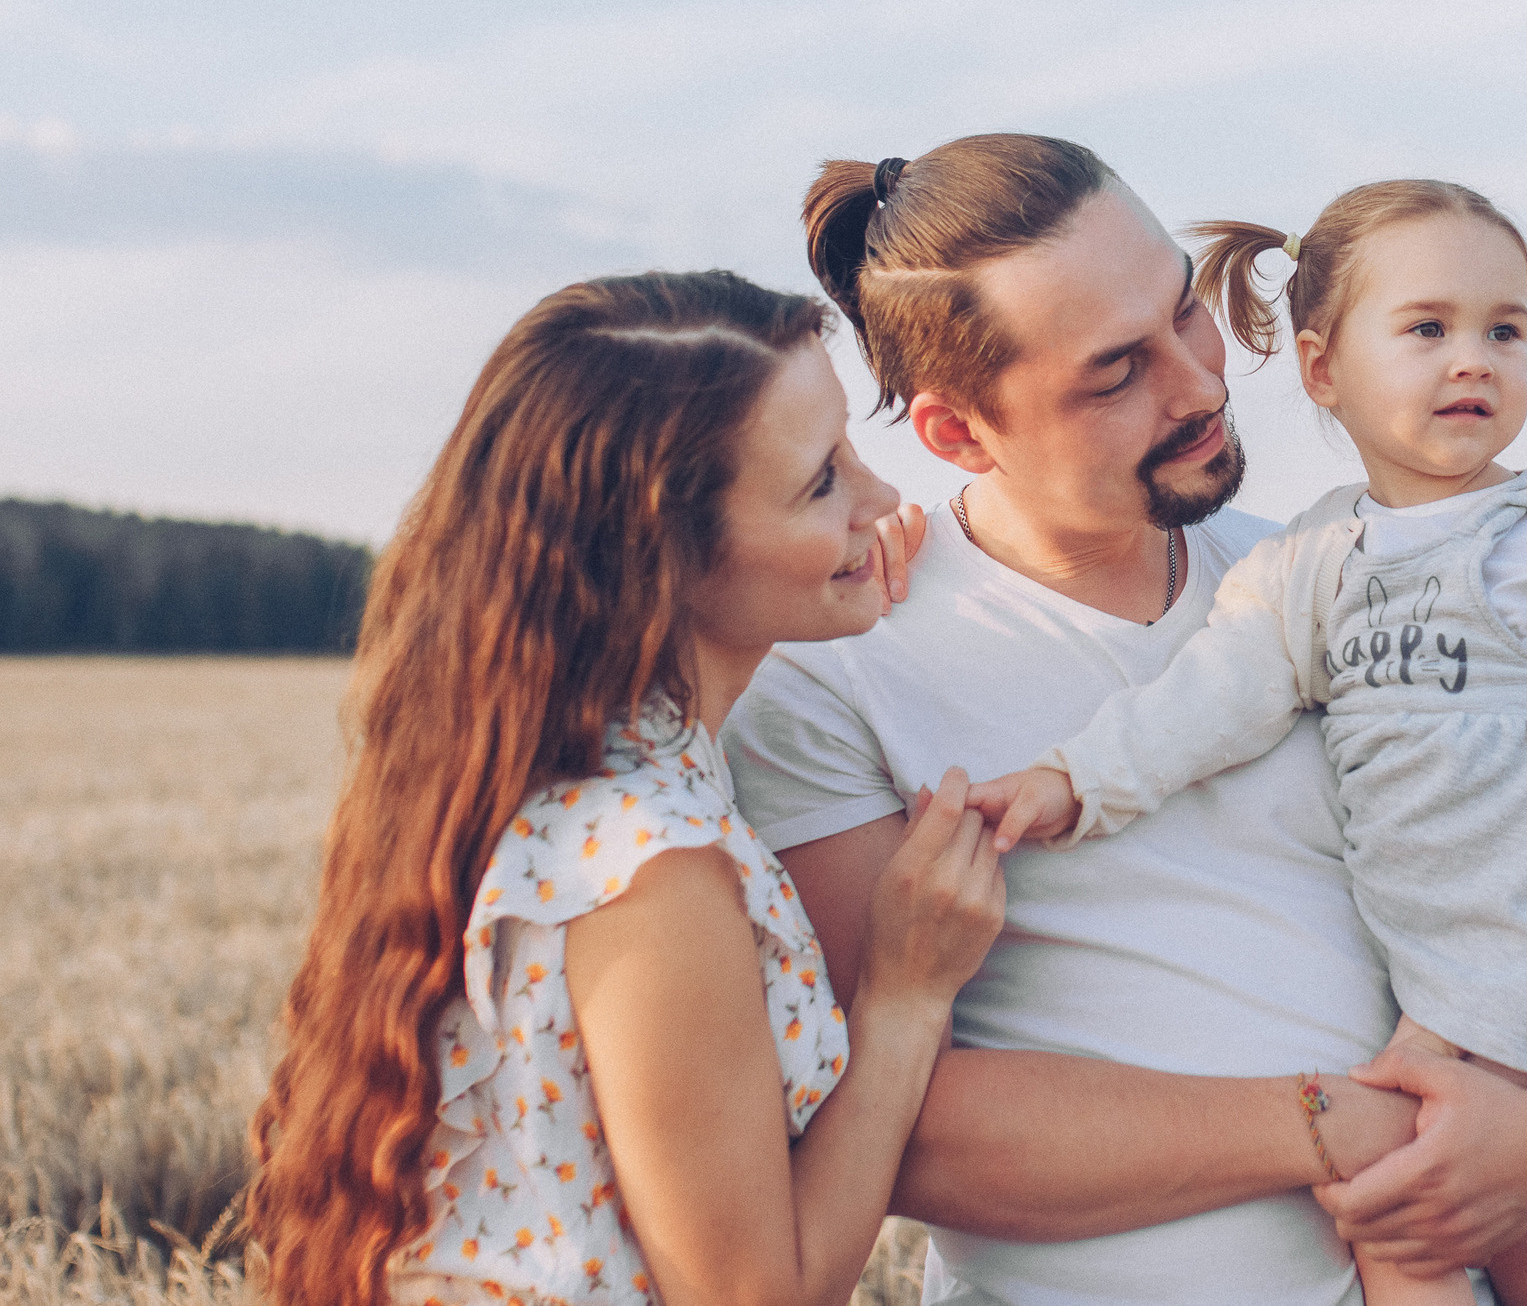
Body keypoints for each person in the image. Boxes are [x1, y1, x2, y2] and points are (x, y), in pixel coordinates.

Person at [722, 137, 1527, 1306]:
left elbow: (1522, 932)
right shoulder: (838, 669)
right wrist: (1330, 1127)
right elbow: (896, 1125)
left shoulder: (1337, 581)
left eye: (1185, 313)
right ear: (958, 433)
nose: (1201, 383)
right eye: (1114, 373)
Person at [966, 180, 1527, 1305]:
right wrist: (1077, 779)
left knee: (1406, 1225)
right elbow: (1210, 698)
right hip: (1433, 968)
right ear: (1322, 369)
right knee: (1477, 1211)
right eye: (1427, 329)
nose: (1474, 360)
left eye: (1504, 330)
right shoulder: (1309, 564)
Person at [248, 270, 1007, 1306]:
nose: (885, 499)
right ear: (664, 555)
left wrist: (835, 569)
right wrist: (907, 997)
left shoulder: (548, 769)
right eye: (821, 481)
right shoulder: (650, 864)